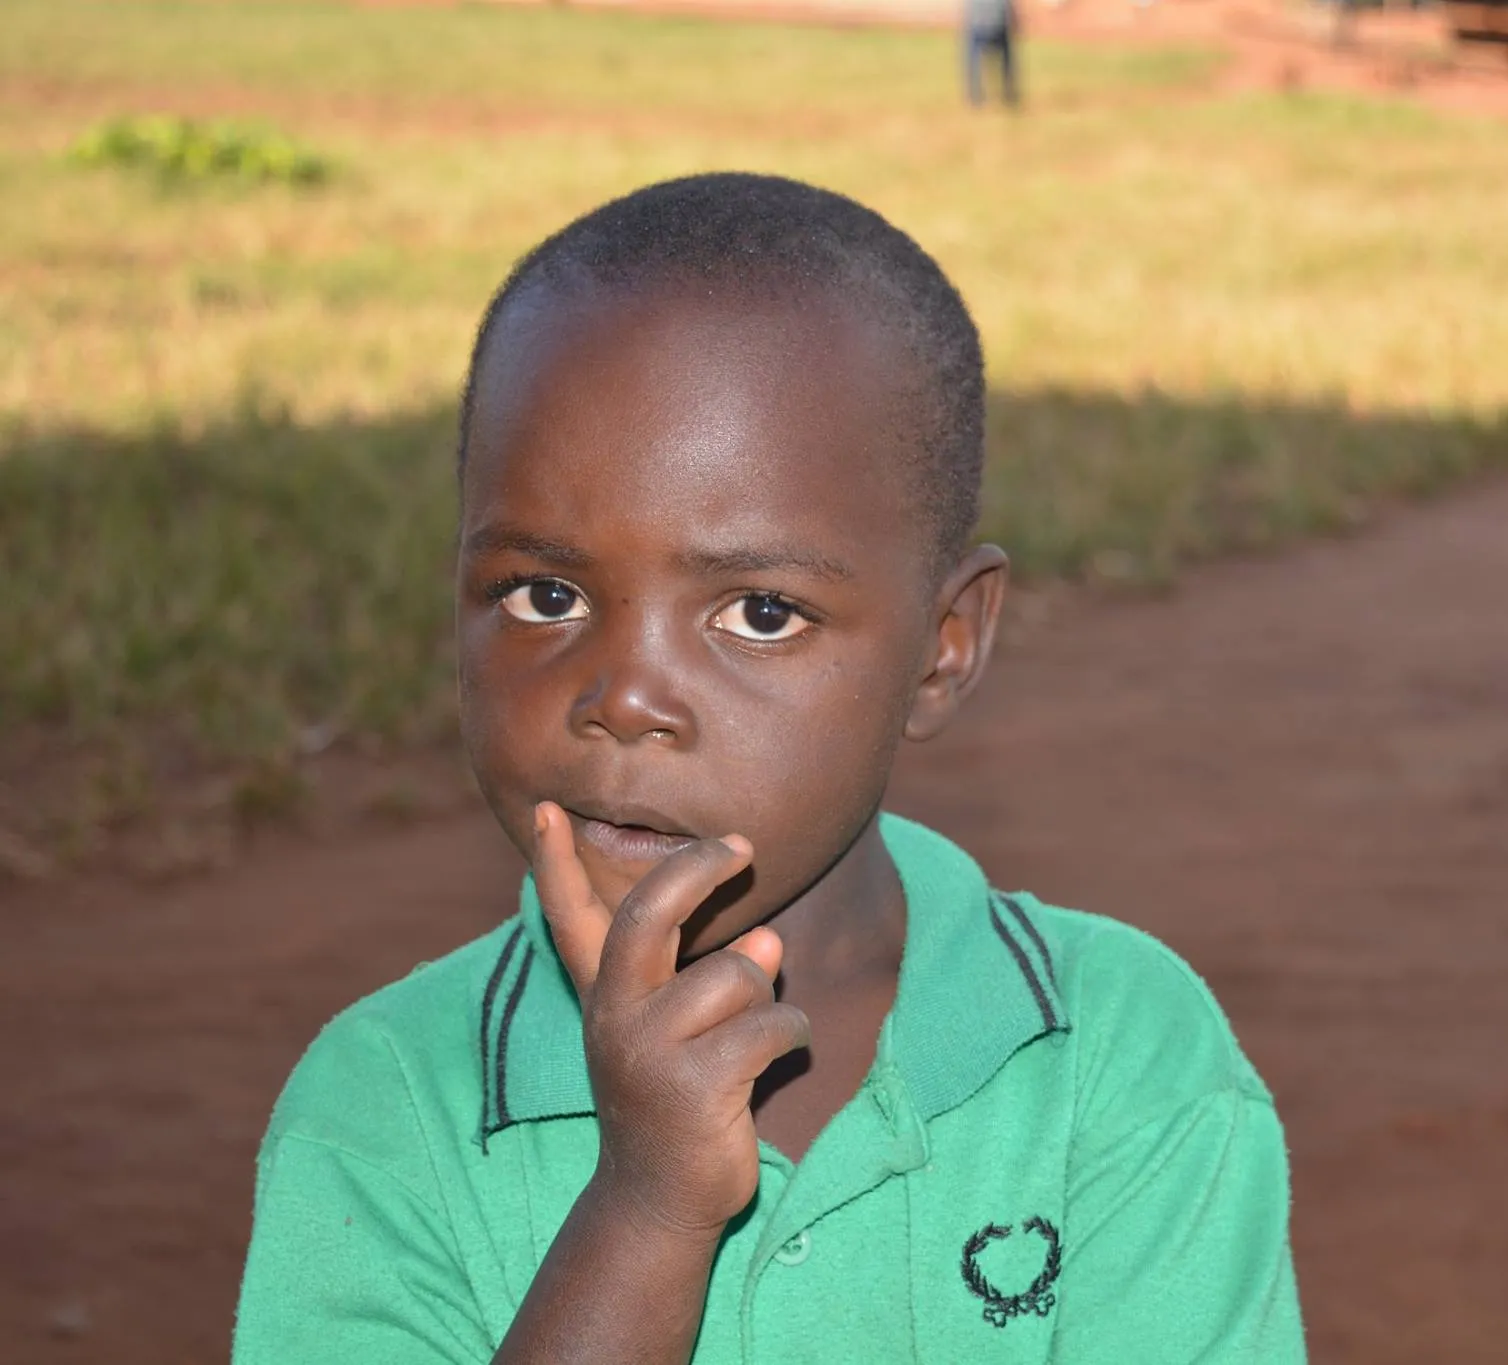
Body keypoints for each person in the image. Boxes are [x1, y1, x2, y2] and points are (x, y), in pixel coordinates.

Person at [232, 173, 1304, 1362]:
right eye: (544, 595)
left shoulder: (1114, 1057)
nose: (624, 698)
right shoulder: (384, 1111)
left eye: (757, 613)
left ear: (941, 649)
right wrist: (645, 1211)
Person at [963, 0, 1019, 107]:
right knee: (1006, 61)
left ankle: (975, 96)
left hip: (980, 26)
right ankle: (1009, 93)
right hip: (997, 26)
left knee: (973, 61)